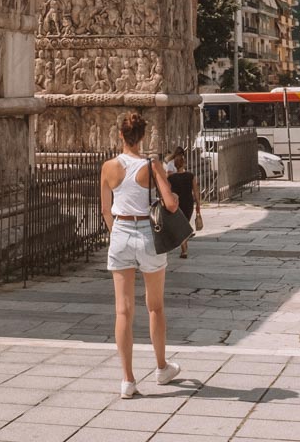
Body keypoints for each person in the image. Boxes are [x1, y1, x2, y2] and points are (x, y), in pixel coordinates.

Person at [100, 112, 182, 399]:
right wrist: (165, 182)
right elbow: (170, 205)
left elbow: (105, 210)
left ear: (120, 135)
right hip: (147, 234)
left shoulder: (108, 167)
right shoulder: (150, 165)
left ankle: (127, 380)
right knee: (155, 306)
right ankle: (161, 368)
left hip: (121, 231)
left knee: (123, 310)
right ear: (142, 137)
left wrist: (117, 234)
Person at [166, 149, 201, 258]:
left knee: (180, 226)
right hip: (188, 203)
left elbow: (168, 191)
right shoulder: (190, 176)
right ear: (184, 164)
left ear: (175, 165)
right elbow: (195, 191)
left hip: (177, 203)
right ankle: (184, 248)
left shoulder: (171, 178)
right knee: (184, 224)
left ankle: (184, 249)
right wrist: (198, 204)